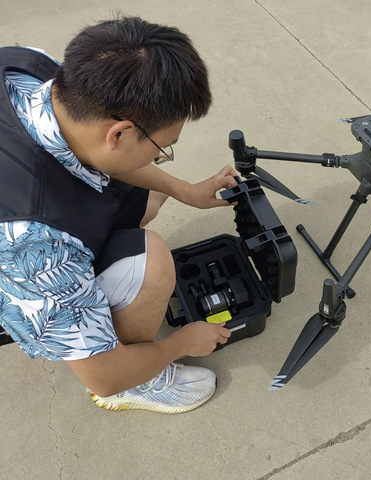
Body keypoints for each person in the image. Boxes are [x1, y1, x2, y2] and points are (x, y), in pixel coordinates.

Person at [0, 16, 238, 414]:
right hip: (18, 265)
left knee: (147, 194)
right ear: (119, 134)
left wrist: (183, 190)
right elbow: (103, 376)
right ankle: (137, 385)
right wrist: (180, 343)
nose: (161, 156)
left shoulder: (25, 66)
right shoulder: (35, 244)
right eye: (162, 148)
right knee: (153, 261)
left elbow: (106, 155)